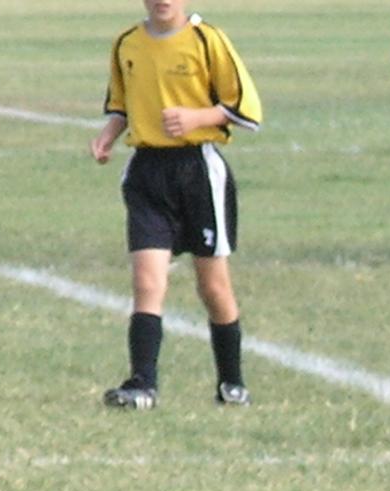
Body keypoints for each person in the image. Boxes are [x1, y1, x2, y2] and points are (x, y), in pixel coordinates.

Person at [91, 0, 262, 410]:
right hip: (147, 172)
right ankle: (142, 384)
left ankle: (232, 383)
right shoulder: (127, 44)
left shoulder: (207, 40)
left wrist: (197, 118)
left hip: (198, 172)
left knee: (213, 286)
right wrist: (108, 136)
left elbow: (246, 110)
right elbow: (121, 105)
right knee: (147, 282)